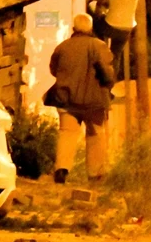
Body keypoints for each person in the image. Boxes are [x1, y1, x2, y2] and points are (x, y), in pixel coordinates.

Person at [48, 13, 115, 184]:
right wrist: (108, 83)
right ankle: (95, 174)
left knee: (67, 134)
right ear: (90, 28)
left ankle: (62, 169)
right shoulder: (99, 46)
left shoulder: (62, 47)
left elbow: (53, 70)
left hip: (66, 99)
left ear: (74, 28)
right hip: (94, 101)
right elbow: (107, 74)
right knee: (95, 135)